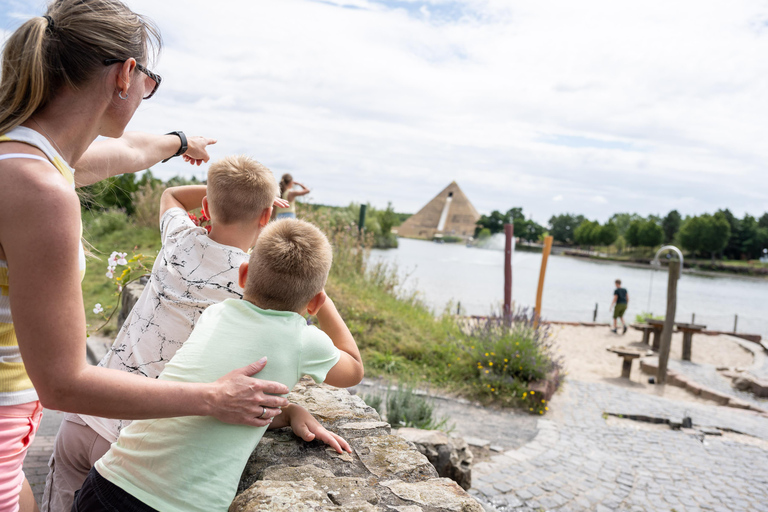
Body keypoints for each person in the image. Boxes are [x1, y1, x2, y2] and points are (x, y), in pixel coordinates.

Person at [0, 3, 289, 510]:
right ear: (126, 75)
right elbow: (63, 382)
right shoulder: (40, 188)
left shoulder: (22, 151)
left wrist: (181, 142)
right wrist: (213, 398)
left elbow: (130, 153)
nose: (144, 96)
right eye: (148, 82)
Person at [42, 156, 290, 511]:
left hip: (86, 415)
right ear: (266, 217)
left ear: (206, 206)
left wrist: (226, 194)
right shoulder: (250, 287)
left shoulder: (178, 239)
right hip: (138, 443)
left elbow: (171, 195)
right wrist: (252, 200)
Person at [72, 219, 365, 512]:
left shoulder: (215, 314)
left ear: (244, 275)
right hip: (177, 505)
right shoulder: (303, 339)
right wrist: (323, 302)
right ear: (314, 303)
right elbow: (353, 368)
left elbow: (224, 394)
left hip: (108, 480)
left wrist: (289, 412)